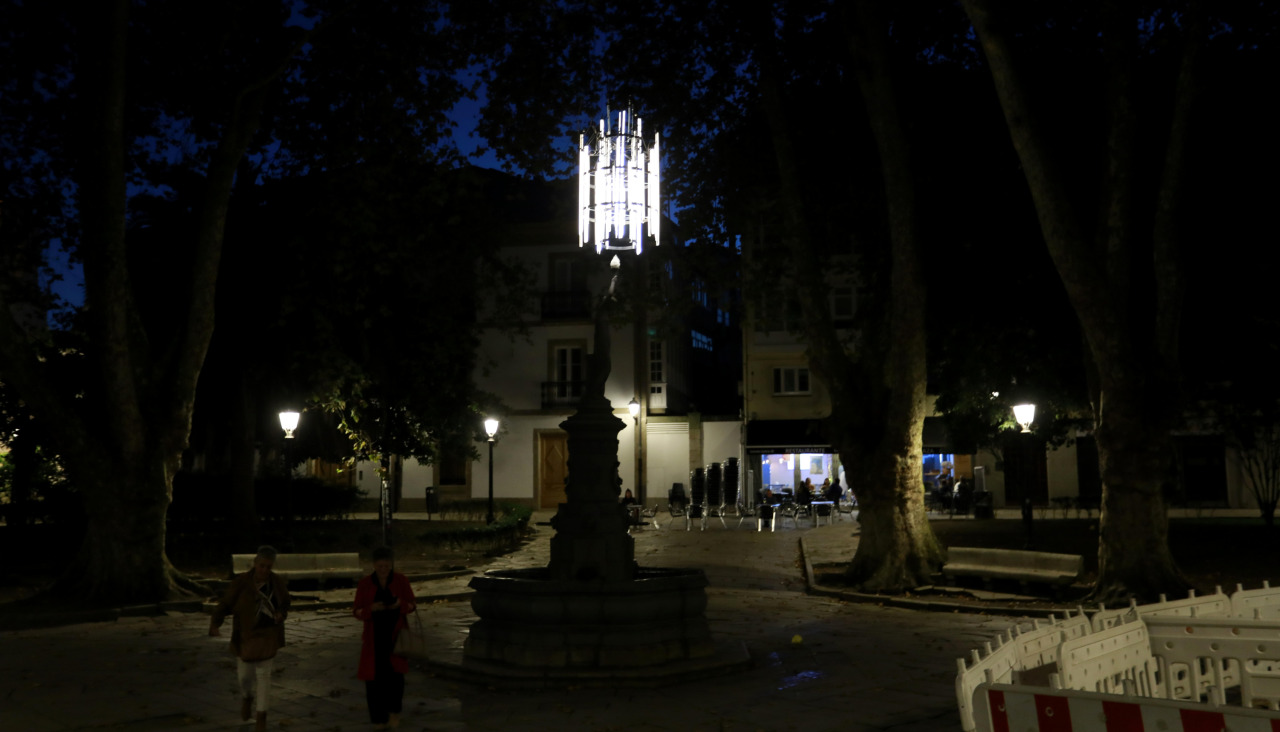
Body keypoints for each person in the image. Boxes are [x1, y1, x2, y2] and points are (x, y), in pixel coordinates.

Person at [210, 545, 290, 732]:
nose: (264, 570)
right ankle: (247, 697)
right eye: (262, 566)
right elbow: (226, 602)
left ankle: (261, 717)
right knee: (244, 676)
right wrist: (216, 622)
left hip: (267, 634)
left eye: (269, 567)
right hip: (245, 635)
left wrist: (280, 614)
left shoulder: (276, 583)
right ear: (255, 563)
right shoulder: (242, 582)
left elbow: (285, 603)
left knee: (264, 676)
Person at [353, 546, 417, 730]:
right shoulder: (365, 584)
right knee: (373, 681)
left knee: (395, 678)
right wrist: (370, 609)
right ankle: (378, 719)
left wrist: (400, 604)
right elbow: (356, 610)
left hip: (396, 636)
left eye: (386, 566)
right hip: (374, 638)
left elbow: (412, 605)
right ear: (374, 565)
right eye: (380, 566)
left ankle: (394, 712)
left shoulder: (401, 580)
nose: (383, 570)